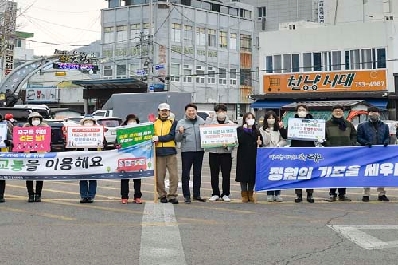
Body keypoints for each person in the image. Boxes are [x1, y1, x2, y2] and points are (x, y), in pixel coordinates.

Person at [324, 105, 357, 202]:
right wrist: (328, 145)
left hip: (346, 153)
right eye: (336, 111)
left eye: (340, 111)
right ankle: (332, 194)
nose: (338, 113)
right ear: (332, 112)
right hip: (332, 153)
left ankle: (342, 194)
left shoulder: (348, 124)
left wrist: (351, 144)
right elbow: (323, 137)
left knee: (344, 173)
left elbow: (354, 135)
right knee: (333, 173)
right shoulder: (327, 124)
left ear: (343, 112)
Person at [357, 106, 390, 202]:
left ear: (379, 113)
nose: (373, 114)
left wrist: (386, 141)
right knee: (367, 173)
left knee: (381, 173)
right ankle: (366, 194)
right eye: (371, 112)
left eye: (375, 112)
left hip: (381, 153)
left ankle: (381, 193)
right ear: (368, 114)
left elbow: (387, 137)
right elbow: (358, 138)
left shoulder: (384, 126)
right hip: (367, 153)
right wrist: (365, 142)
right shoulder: (362, 126)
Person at [175, 103, 206, 204]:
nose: (191, 112)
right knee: (185, 174)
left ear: (196, 111)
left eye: (193, 111)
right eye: (189, 111)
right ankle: (187, 196)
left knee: (197, 173)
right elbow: (177, 139)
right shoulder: (181, 122)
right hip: (187, 151)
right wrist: (180, 132)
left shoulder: (202, 121)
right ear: (186, 112)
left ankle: (197, 195)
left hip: (199, 151)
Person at [206, 104, 234, 202]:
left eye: (223, 111)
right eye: (218, 111)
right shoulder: (210, 122)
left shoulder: (230, 124)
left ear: (226, 112)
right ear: (216, 113)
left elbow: (234, 141)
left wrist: (229, 146)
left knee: (226, 174)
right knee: (214, 174)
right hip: (213, 152)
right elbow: (205, 133)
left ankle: (226, 193)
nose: (221, 113)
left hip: (226, 153)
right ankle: (215, 193)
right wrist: (209, 119)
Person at [289, 104, 316, 203]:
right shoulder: (292, 122)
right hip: (297, 150)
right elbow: (287, 135)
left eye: (303, 110)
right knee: (298, 173)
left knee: (310, 173)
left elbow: (319, 134)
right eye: (299, 110)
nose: (301, 111)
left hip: (310, 150)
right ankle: (298, 194)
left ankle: (310, 194)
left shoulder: (314, 122)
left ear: (307, 111)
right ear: (296, 112)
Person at [153, 103, 179, 204]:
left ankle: (172, 195)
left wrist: (158, 138)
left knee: (173, 175)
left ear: (169, 112)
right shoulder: (153, 123)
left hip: (171, 152)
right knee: (159, 176)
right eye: (162, 111)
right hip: (158, 153)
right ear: (158, 111)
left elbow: (171, 136)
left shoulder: (173, 122)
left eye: (166, 111)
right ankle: (162, 195)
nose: (164, 113)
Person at [259, 110, 286, 202]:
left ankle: (277, 193)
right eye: (269, 118)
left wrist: (278, 145)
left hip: (278, 154)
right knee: (269, 174)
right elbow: (264, 142)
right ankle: (269, 193)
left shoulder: (279, 128)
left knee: (278, 173)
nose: (271, 120)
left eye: (273, 118)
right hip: (267, 154)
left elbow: (284, 140)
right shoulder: (262, 129)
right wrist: (267, 133)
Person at [236, 112, 263, 203]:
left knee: (252, 175)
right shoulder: (240, 129)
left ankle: (250, 193)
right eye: (248, 118)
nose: (249, 120)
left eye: (251, 118)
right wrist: (244, 129)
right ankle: (244, 194)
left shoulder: (256, 131)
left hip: (253, 155)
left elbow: (261, 141)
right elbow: (239, 140)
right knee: (243, 174)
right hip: (243, 154)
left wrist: (260, 143)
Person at [118, 114, 143, 204]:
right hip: (125, 158)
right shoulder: (122, 131)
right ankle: (124, 197)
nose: (132, 123)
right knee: (124, 178)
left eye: (134, 121)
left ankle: (137, 197)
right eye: (130, 121)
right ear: (127, 122)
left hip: (137, 157)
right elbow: (116, 143)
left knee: (137, 178)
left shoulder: (141, 131)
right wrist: (117, 145)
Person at [24, 112, 49, 202]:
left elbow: (48, 141)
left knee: (39, 175)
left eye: (37, 118)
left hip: (41, 154)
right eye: (33, 119)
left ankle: (38, 194)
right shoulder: (25, 128)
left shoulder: (45, 128)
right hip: (28, 154)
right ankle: (30, 194)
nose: (35, 120)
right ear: (30, 120)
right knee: (29, 175)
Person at [78, 116, 103, 203]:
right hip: (82, 158)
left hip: (94, 158)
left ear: (93, 123)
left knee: (93, 178)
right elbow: (71, 146)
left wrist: (101, 139)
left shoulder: (98, 132)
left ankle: (91, 196)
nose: (88, 123)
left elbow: (104, 144)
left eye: (90, 121)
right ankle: (84, 196)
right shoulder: (78, 133)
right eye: (86, 121)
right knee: (83, 177)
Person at [0, 114, 13, 203]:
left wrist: (8, 142)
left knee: (1, 176)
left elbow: (12, 141)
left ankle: (1, 195)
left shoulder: (4, 128)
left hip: (2, 155)